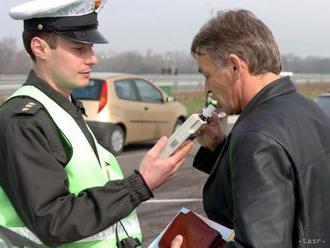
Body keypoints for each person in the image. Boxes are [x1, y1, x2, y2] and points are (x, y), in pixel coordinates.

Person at [0, 0, 193, 247]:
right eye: (79, 48)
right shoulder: (24, 119)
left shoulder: (62, 107)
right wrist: (140, 184)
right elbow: (53, 222)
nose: (92, 59)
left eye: (90, 47)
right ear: (40, 48)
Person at [189, 9, 330, 247]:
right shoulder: (308, 109)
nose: (207, 89)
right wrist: (221, 147)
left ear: (235, 66)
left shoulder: (255, 136)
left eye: (207, 75)